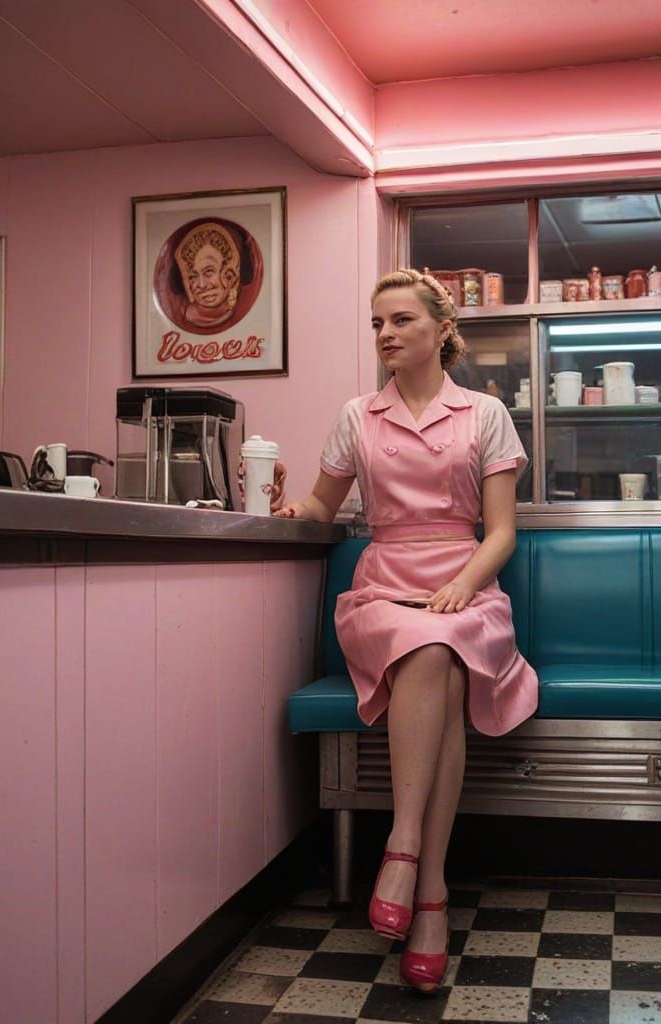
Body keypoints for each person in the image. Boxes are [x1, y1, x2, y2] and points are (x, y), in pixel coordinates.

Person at [274, 269, 538, 993]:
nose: (385, 334)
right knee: (427, 645)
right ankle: (426, 881)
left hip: (467, 584)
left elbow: (503, 532)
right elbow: (323, 506)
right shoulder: (357, 415)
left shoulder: (485, 414)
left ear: (442, 330)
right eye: (376, 323)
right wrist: (290, 510)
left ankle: (412, 865)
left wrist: (462, 584)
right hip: (383, 589)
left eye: (400, 321)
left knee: (441, 645)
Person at [174, 222, 241, 329]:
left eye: (208, 272)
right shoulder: (181, 315)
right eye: (193, 277)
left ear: (229, 275)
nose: (201, 284)